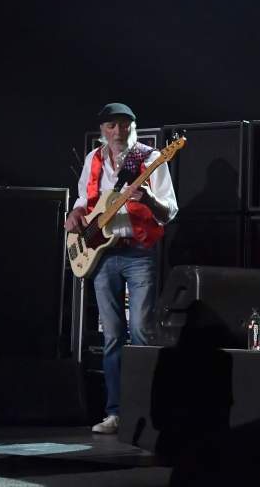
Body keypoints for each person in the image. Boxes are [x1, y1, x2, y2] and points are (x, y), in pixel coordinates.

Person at [64, 103, 177, 435]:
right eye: (112, 126)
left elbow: (169, 210)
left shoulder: (151, 158)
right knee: (113, 336)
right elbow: (84, 201)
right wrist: (74, 216)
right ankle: (115, 412)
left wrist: (147, 200)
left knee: (141, 332)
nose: (119, 131)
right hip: (102, 254)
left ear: (133, 127)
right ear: (103, 130)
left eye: (125, 125)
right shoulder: (93, 159)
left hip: (139, 251)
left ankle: (148, 409)